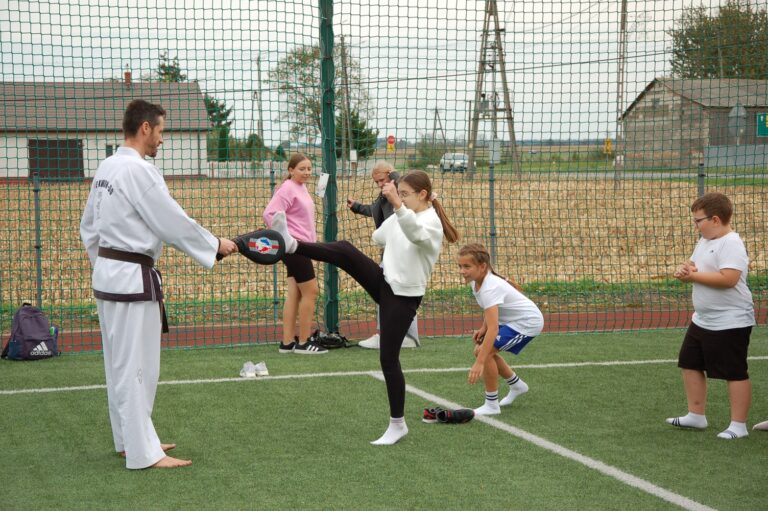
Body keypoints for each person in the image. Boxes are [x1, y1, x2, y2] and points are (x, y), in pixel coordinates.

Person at [80, 99, 238, 469]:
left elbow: (89, 227)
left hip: (111, 277)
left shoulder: (107, 166)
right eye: (161, 131)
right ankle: (142, 453)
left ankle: (131, 438)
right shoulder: (139, 171)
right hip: (131, 280)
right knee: (137, 367)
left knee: (119, 365)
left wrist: (103, 266)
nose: (162, 141)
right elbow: (172, 221)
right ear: (145, 128)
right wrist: (215, 245)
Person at [268, 170, 459, 444]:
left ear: (423, 195)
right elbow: (378, 238)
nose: (400, 197)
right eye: (399, 193)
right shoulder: (406, 215)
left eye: (405, 194)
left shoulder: (431, 222)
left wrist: (397, 206)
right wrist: (393, 209)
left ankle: (398, 424)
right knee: (345, 249)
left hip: (404, 297)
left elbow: (417, 236)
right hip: (385, 281)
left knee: (388, 359)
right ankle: (293, 244)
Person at [667, 192, 755, 439]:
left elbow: (729, 279)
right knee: (689, 362)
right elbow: (695, 264)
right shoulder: (705, 241)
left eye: (698, 221)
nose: (696, 225)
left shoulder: (732, 243)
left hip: (731, 321)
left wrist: (692, 276)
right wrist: (687, 268)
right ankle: (696, 416)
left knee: (735, 372)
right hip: (703, 319)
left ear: (715, 219)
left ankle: (739, 425)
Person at [459, 244, 544, 416]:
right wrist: (483, 327)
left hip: (527, 323)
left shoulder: (490, 286)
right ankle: (517, 385)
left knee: (485, 352)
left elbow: (494, 328)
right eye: (460, 266)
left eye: (466, 266)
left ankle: (491, 405)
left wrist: (480, 363)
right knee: (481, 350)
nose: (462, 271)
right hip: (513, 321)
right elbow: (490, 311)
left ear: (482, 267)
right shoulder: (477, 282)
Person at [346, 161, 419, 349]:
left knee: (390, 291)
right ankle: (401, 336)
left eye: (382, 179)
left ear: (390, 173)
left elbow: (404, 184)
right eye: (376, 181)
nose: (379, 184)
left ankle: (391, 334)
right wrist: (356, 207)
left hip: (401, 248)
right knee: (394, 291)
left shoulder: (401, 190)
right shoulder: (385, 194)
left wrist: (394, 175)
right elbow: (374, 210)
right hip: (390, 249)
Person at [263, 153, 327, 354]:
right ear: (291, 170)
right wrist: (286, 239)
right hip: (295, 247)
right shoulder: (288, 189)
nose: (307, 172)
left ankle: (287, 342)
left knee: (295, 293)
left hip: (301, 247)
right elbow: (269, 214)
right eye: (302, 169)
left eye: (309, 169)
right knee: (312, 291)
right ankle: (304, 342)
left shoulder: (301, 187)